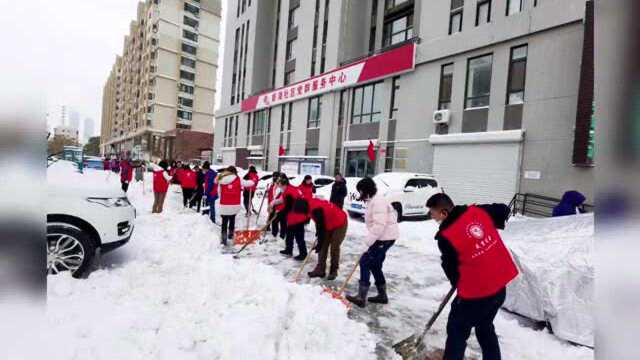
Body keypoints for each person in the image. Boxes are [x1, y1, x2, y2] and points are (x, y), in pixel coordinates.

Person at [426, 193, 519, 360]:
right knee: (484, 326)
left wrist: (460, 286)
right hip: (499, 287)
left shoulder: (446, 236)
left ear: (444, 213)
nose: (431, 216)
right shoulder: (476, 211)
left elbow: (452, 271)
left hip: (478, 293)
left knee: (457, 330)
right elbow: (503, 210)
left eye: (433, 212)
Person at [346, 177, 399, 308]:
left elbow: (379, 225)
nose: (360, 194)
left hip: (383, 238)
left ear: (366, 190)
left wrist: (367, 243)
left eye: (360, 191)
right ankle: (382, 295)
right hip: (384, 237)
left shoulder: (378, 201)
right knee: (375, 265)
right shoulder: (374, 200)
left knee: (365, 261)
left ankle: (361, 298)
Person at [296, 197, 348, 280]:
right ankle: (320, 270)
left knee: (334, 247)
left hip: (339, 222)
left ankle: (333, 270)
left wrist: (319, 242)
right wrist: (319, 236)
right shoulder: (309, 205)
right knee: (323, 246)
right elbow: (319, 223)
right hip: (327, 222)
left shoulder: (316, 209)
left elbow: (320, 224)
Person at [269, 176, 308, 260]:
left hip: (297, 217)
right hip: (293, 216)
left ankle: (303, 254)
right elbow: (281, 199)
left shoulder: (290, 191)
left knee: (299, 236)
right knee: (289, 234)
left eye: (280, 186)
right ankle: (288, 250)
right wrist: (272, 203)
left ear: (284, 184)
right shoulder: (290, 189)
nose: (279, 187)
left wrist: (280, 214)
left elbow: (288, 207)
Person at [217, 166, 255, 245]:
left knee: (224, 222)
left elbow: (219, 192)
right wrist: (253, 181)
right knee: (232, 219)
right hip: (234, 204)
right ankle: (230, 235)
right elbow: (248, 183)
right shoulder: (238, 179)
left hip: (224, 204)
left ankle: (224, 239)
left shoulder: (221, 180)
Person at [267, 172, 286, 240]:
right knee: (274, 220)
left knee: (282, 221)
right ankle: (274, 234)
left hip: (282, 207)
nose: (275, 178)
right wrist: (270, 203)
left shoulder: (283, 187)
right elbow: (272, 195)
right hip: (274, 205)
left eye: (276, 176)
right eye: (273, 176)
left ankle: (282, 235)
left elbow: (281, 198)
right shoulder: (273, 184)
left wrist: (272, 203)